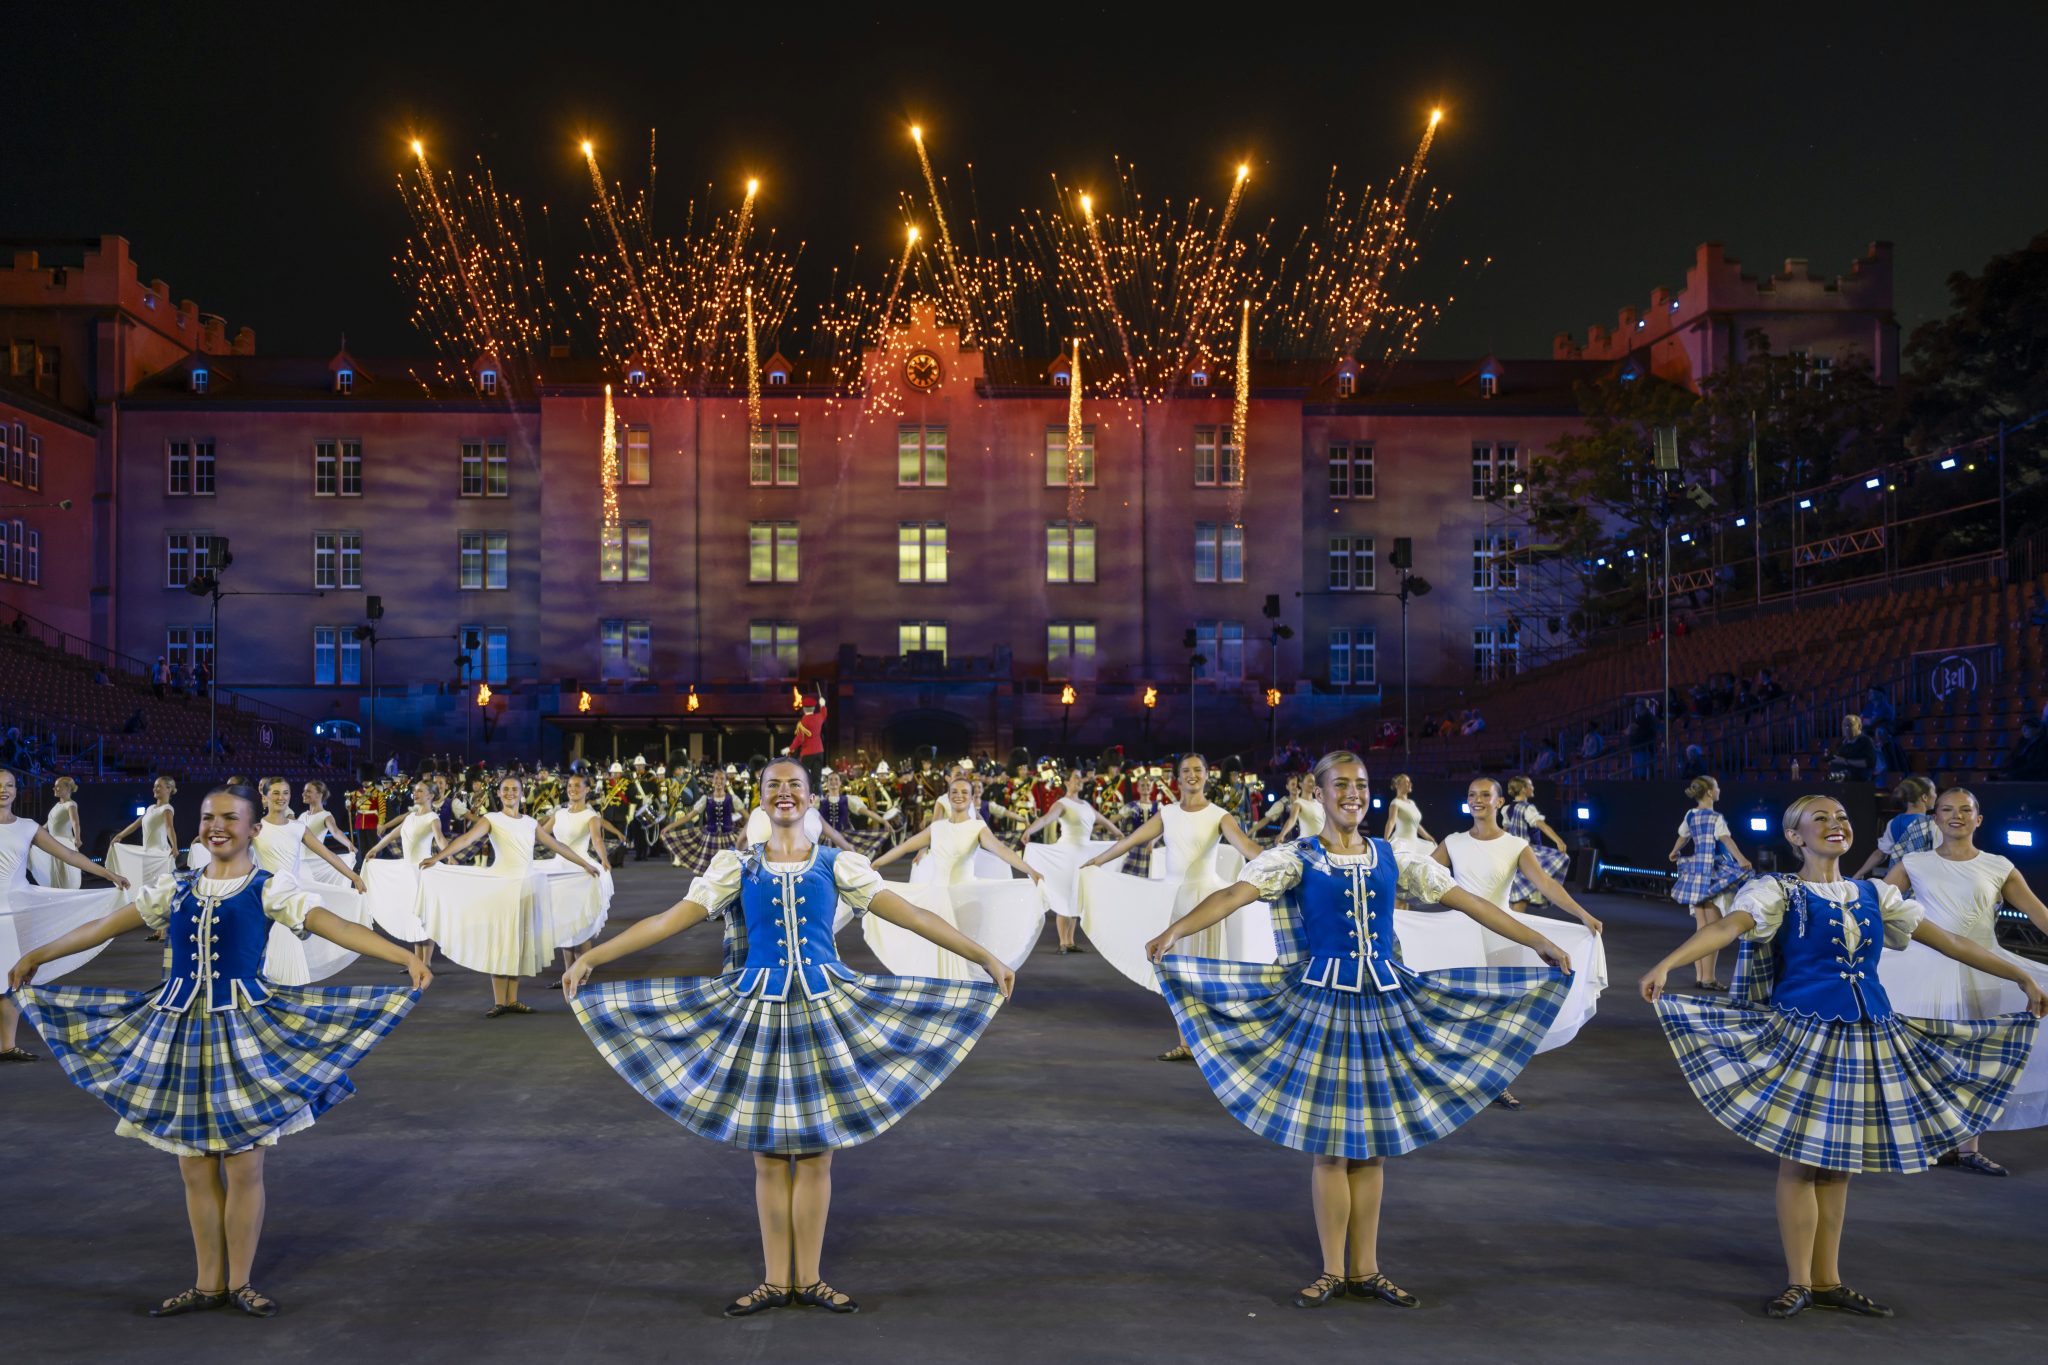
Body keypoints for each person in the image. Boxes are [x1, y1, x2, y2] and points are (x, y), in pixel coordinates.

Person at [563, 758, 1015, 1317]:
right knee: (770, 1157)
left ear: (809, 800)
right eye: (774, 786)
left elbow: (913, 916)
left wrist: (983, 956)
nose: (784, 794)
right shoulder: (736, 866)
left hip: (824, 1009)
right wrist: (594, 956)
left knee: (818, 1153)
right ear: (760, 797)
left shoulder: (837, 865)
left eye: (794, 786)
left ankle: (812, 1278)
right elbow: (668, 920)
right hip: (758, 1011)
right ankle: (778, 1280)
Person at [1144, 751, 1573, 1309]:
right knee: (1330, 1148)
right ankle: (1330, 1271)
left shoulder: (1395, 856)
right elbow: (1232, 895)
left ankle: (1366, 1269)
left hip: (1384, 1002)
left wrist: (1539, 939)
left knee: (1372, 1147)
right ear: (1319, 794)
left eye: (1360, 785)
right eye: (1340, 785)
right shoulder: (1296, 858)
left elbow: (1465, 900)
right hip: (1322, 1004)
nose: (1352, 793)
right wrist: (1174, 932)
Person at [9, 780, 430, 1319]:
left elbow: (337, 925)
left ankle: (241, 1281)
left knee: (243, 1163)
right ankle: (208, 1283)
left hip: (244, 1031)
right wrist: (40, 953)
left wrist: (402, 956)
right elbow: (104, 925)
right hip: (178, 1030)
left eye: (231, 818)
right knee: (193, 1166)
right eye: (209, 817)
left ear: (254, 829)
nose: (217, 826)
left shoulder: (268, 888)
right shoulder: (176, 889)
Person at [1642, 794, 2045, 1320]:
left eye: (1842, 819)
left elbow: (1948, 940)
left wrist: (2019, 973)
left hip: (1867, 1034)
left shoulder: (1875, 893)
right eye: (1821, 820)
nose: (1836, 826)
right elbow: (1727, 926)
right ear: (1795, 836)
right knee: (1802, 1161)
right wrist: (1668, 964)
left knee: (1838, 1166)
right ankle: (1797, 1281)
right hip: (1805, 1034)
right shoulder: (1777, 891)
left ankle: (1827, 1280)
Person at [1880, 786, 2048, 1176]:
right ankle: (1929, 1141)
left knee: (1978, 1060)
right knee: (1927, 1057)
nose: (1956, 816)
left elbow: (2040, 915)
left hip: (1984, 970)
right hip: (1924, 969)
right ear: (1934, 818)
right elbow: (1876, 909)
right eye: (1947, 810)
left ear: (1978, 819)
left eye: (1965, 810)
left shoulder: (1998, 866)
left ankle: (1968, 1148)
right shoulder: (1914, 862)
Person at [1077, 753, 1266, 1059]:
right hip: (1174, 902)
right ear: (1178, 778)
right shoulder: (1167, 814)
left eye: (1198, 770)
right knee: (1176, 973)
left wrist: (1281, 861)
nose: (1192, 775)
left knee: (1206, 972)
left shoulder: (1219, 815)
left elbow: (1246, 847)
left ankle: (1212, 1043)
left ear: (1207, 775)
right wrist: (1098, 861)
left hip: (1208, 902)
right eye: (1186, 771)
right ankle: (1187, 1044)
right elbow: (1132, 840)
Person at [419, 774, 600, 1016]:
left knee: (518, 944)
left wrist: (585, 864)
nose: (509, 793)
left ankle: (513, 999)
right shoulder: (491, 819)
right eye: (505, 789)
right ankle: (499, 1001)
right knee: (500, 943)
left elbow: (558, 846)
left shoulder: (530, 823)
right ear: (499, 793)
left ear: (521, 792)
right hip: (501, 888)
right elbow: (465, 839)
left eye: (514, 789)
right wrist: (437, 858)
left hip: (526, 889)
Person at [1, 766, 131, 1062]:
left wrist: (107, 872)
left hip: (14, 910)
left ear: (16, 791)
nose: (3, 790)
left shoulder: (28, 826)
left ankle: (6, 1045)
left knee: (11, 978)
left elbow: (69, 854)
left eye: (9, 784)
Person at [869, 775, 1047, 980]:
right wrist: (876, 863)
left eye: (964, 792)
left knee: (962, 950)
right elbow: (905, 847)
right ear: (948, 796)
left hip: (965, 897)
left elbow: (1000, 850)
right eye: (954, 792)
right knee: (934, 950)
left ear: (972, 798)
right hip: (935, 897)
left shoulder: (977, 828)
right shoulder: (937, 828)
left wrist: (1029, 870)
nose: (959, 796)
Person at [1018, 767, 1123, 952]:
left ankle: (1070, 941)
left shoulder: (1085, 804)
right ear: (1067, 782)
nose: (1079, 781)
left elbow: (1103, 820)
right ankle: (1062, 942)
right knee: (1065, 895)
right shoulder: (1062, 803)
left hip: (1084, 855)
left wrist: (1118, 833)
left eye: (1080, 778)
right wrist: (1030, 830)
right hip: (1066, 854)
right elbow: (1046, 819)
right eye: (1076, 778)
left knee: (1076, 896)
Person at [1666, 777, 1753, 991]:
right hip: (1711, 872)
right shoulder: (1715, 818)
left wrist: (1674, 851)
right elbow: (1726, 840)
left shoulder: (1691, 815)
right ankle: (1707, 978)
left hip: (1696, 871)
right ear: (1710, 793)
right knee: (1712, 929)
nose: (1719, 789)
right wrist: (1741, 859)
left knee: (1701, 927)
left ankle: (1702, 976)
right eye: (1717, 787)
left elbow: (1682, 837)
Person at [1852, 777, 1936, 880]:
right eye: (1934, 791)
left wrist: (1859, 873)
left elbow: (1880, 853)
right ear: (1924, 797)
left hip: (1898, 881)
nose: (1936, 795)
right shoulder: (1932, 823)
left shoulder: (1893, 823)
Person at [1827, 714, 1878, 784]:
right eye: (1844, 725)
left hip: (1857, 782)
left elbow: (1869, 762)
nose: (1846, 728)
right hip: (1838, 781)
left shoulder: (1865, 741)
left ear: (1859, 726)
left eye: (1850, 725)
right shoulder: (1841, 743)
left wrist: (1845, 761)